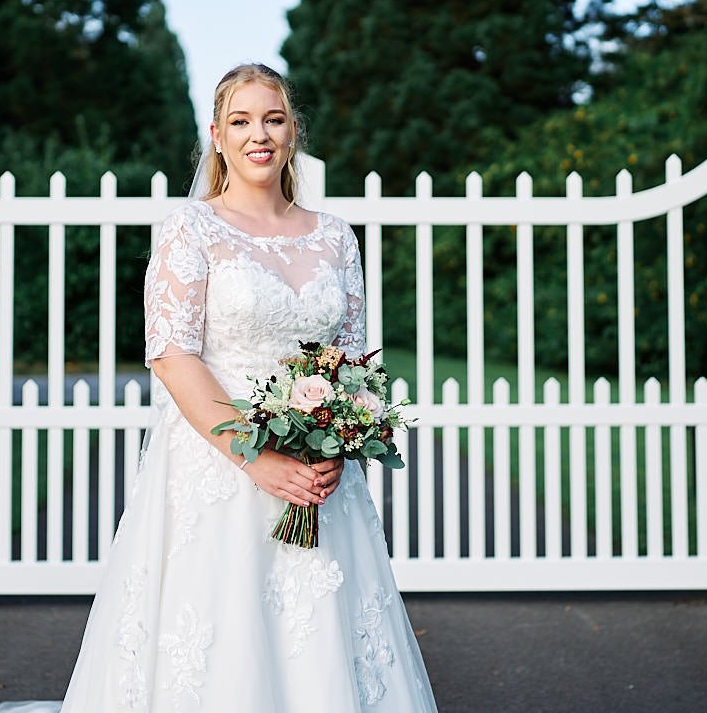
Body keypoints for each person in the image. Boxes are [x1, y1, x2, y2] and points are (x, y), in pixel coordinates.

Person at [60, 64, 438, 711]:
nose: (258, 134)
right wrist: (257, 459)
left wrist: (332, 445)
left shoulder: (335, 237)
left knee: (319, 632)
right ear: (217, 136)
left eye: (273, 118)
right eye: (241, 121)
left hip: (320, 478)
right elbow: (174, 356)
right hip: (218, 469)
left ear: (293, 133)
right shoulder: (191, 229)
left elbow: (351, 358)